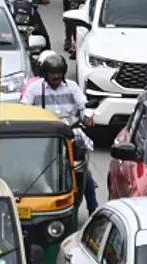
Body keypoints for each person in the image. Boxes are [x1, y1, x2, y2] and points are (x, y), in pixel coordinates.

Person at [18, 53, 97, 215]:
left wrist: (88, 117)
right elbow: (23, 109)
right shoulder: (35, 89)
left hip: (71, 135)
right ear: (45, 73)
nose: (56, 76)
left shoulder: (72, 87)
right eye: (52, 73)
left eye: (59, 73)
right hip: (44, 138)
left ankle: (93, 209)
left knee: (83, 172)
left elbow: (84, 105)